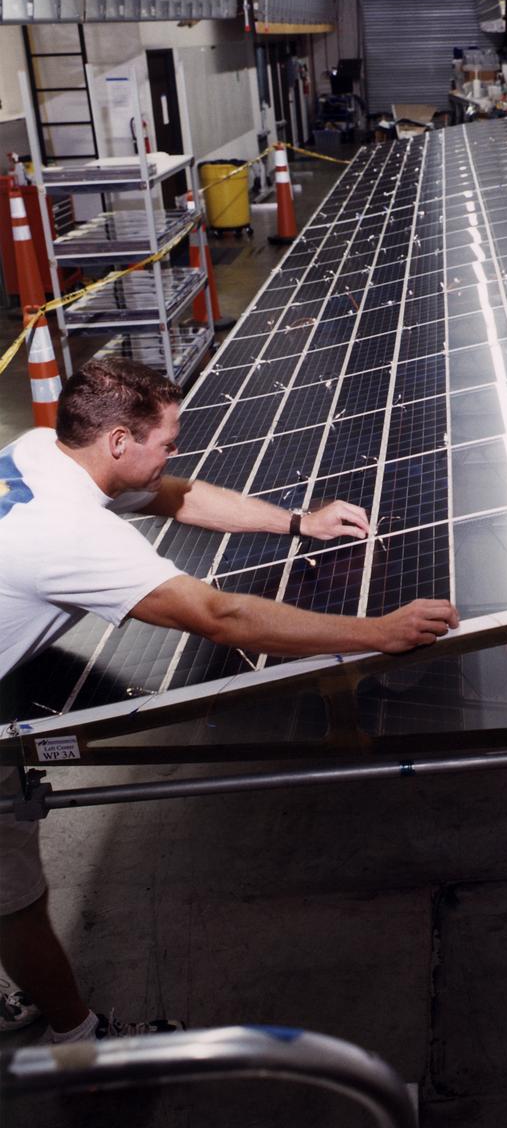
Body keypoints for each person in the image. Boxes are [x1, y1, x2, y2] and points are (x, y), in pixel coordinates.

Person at [0, 358, 459, 1043]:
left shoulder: (39, 451)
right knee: (14, 894)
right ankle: (76, 1038)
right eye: (167, 441)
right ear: (118, 442)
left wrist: (299, 522)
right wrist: (376, 632)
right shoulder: (73, 534)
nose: (174, 453)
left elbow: (174, 496)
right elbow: (223, 616)